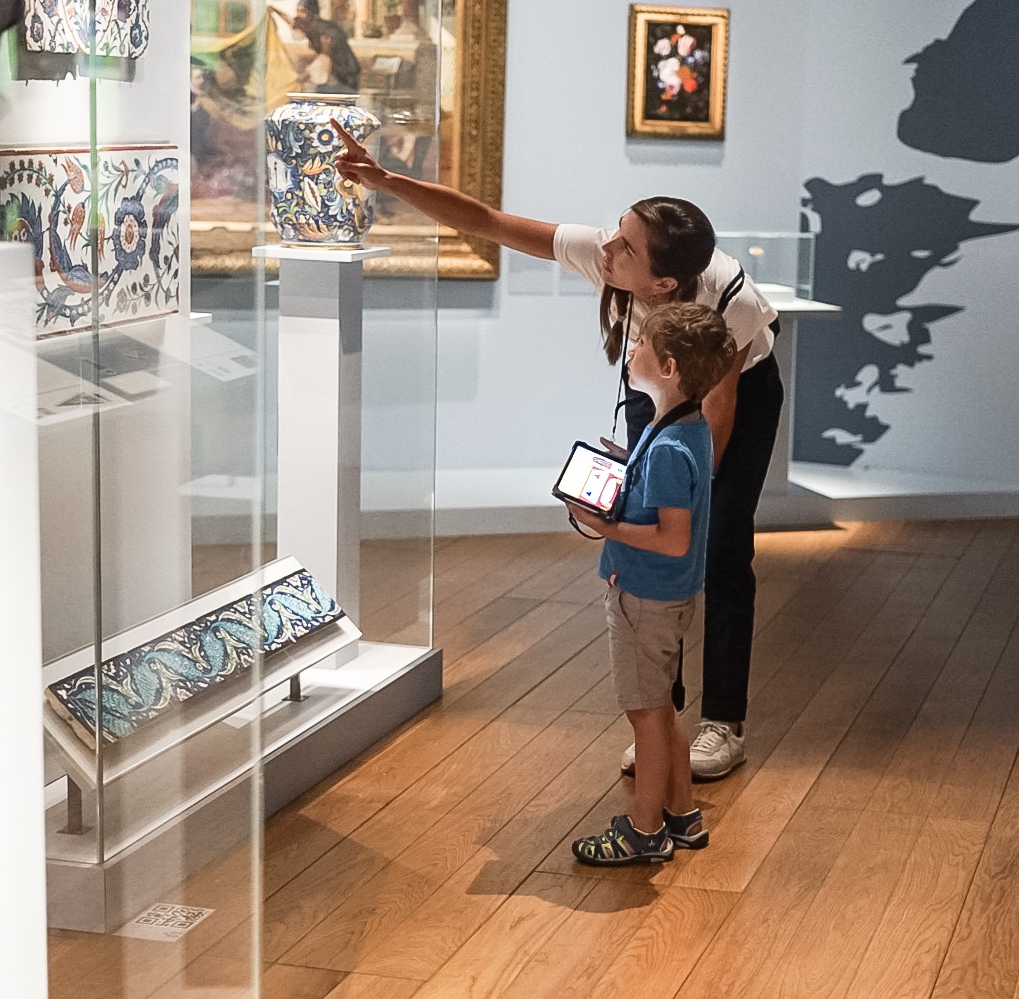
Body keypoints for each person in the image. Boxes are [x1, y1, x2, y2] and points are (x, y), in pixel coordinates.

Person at [333, 125, 781, 782]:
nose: (606, 245)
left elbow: (717, 413)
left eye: (623, 244)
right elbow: (486, 221)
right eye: (614, 229)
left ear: (660, 282)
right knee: (659, 540)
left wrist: (677, 495)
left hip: (733, 391)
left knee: (717, 546)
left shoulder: (731, 301)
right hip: (653, 376)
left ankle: (723, 721)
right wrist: (386, 182)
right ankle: (663, 719)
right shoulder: (608, 256)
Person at [563, 302, 734, 863]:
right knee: (661, 708)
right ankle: (681, 814)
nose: (629, 351)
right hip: (669, 597)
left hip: (643, 596)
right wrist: (624, 464)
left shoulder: (665, 446)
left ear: (666, 367)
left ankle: (643, 831)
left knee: (646, 715)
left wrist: (605, 525)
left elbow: (672, 537)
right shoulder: (686, 428)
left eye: (638, 345)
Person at [270, 0, 361, 93]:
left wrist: (305, 75)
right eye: (298, 11)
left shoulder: (324, 30)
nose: (299, 14)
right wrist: (274, 10)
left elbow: (325, 58)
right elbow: (291, 21)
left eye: (302, 11)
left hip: (345, 75)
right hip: (335, 74)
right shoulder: (307, 24)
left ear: (310, 12)